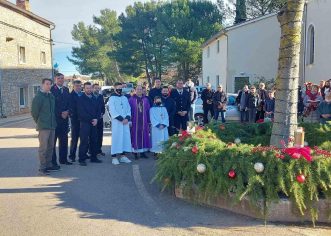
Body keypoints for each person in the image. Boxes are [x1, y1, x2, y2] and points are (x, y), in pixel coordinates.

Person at [31, 78, 57, 175]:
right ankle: (42, 168)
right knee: (43, 148)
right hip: (43, 127)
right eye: (47, 84)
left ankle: (48, 165)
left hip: (52, 125)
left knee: (51, 147)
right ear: (42, 85)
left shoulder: (51, 96)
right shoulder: (38, 97)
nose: (49, 86)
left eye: (50, 84)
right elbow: (34, 112)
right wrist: (40, 122)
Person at [77, 82, 102, 166]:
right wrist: (92, 119)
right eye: (87, 88)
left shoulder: (94, 98)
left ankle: (93, 158)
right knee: (84, 141)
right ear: (84, 89)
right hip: (85, 123)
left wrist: (96, 119)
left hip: (94, 123)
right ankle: (82, 159)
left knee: (94, 140)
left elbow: (98, 110)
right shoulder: (80, 99)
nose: (89, 89)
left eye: (90, 88)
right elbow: (81, 112)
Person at [50, 73, 71, 167]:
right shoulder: (51, 90)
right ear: (55, 79)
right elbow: (51, 105)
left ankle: (63, 159)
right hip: (55, 120)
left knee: (64, 141)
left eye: (62, 78)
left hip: (65, 120)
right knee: (53, 143)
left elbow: (69, 103)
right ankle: (53, 162)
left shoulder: (66, 90)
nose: (61, 80)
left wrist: (67, 111)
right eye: (59, 78)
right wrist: (60, 113)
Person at [109, 82, 132, 165]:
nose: (119, 90)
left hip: (125, 122)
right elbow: (112, 110)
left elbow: (128, 109)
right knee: (116, 138)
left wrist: (127, 118)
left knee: (124, 138)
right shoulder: (112, 98)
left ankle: (123, 156)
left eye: (121, 88)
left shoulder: (124, 98)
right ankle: (114, 157)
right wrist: (121, 119)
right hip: (117, 122)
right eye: (118, 88)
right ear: (114, 88)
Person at [129, 85, 151, 159]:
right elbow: (129, 111)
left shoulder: (145, 100)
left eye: (140, 89)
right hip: (135, 121)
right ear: (135, 90)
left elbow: (148, 111)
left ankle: (142, 152)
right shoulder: (131, 99)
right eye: (137, 89)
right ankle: (135, 153)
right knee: (135, 136)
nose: (139, 90)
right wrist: (129, 120)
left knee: (144, 135)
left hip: (144, 121)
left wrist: (148, 121)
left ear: (142, 90)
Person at [68, 80, 82, 162]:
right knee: (74, 139)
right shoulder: (70, 95)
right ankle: (72, 156)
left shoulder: (83, 94)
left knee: (84, 138)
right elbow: (70, 107)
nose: (78, 87)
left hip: (83, 120)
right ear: (73, 86)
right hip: (75, 120)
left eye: (80, 86)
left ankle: (83, 154)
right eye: (77, 86)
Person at [92, 84, 106, 157]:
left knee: (100, 135)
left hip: (100, 119)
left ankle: (99, 150)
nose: (97, 89)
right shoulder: (90, 96)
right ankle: (92, 151)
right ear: (92, 88)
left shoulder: (101, 96)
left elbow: (103, 107)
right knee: (93, 136)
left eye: (98, 88)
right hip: (93, 119)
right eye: (95, 88)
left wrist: (102, 113)